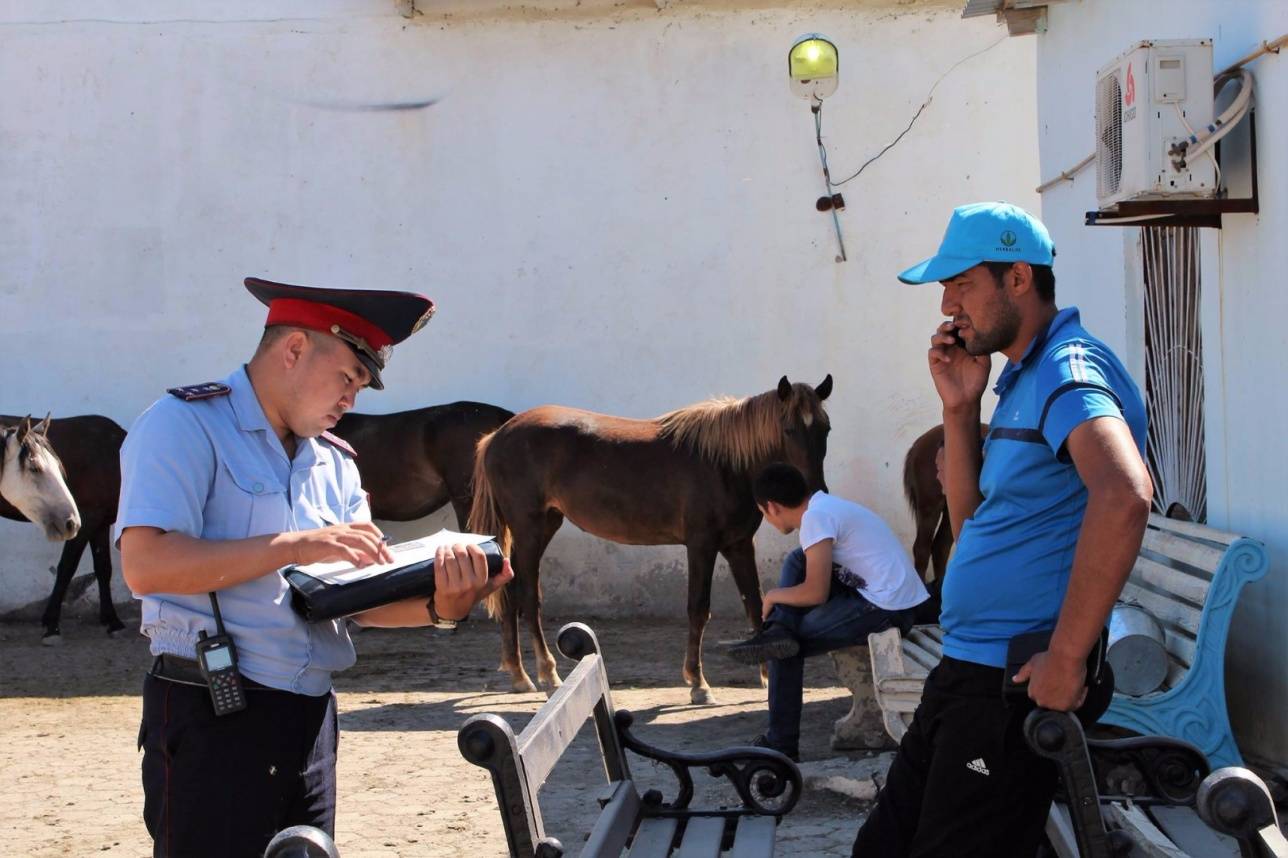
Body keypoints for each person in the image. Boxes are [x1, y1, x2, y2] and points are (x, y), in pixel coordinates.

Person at [117, 277, 513, 858]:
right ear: (295, 350)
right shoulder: (183, 424)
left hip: (310, 717)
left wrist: (443, 606)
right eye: (348, 377)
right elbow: (146, 566)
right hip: (214, 714)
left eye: (360, 385)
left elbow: (357, 600)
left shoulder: (334, 461)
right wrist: (297, 545)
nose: (351, 399)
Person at [851, 202, 1152, 857]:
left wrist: (1068, 658)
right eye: (945, 289)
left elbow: (1124, 495)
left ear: (1019, 277)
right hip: (968, 673)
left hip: (1009, 687)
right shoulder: (1021, 379)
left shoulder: (1068, 368)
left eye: (962, 285)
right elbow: (972, 524)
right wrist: (959, 408)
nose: (947, 307)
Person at [725, 463, 929, 761]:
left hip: (887, 610)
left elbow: (815, 592)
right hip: (890, 599)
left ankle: (781, 744)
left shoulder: (816, 519)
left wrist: (773, 596)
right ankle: (778, 630)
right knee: (798, 560)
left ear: (771, 507)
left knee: (781, 650)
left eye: (762, 512)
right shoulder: (825, 506)